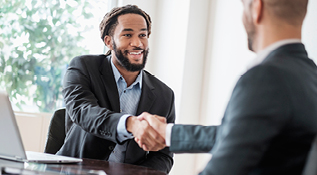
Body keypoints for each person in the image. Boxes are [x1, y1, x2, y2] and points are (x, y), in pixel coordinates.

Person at [137, 0, 317, 174]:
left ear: (256, 7)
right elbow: (244, 134)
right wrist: (167, 133)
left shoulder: (265, 77)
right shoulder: (309, 75)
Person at [56, 5, 175, 173]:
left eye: (143, 35)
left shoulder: (165, 95)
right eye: (127, 35)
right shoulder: (83, 67)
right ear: (109, 41)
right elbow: (83, 111)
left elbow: (164, 156)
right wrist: (130, 124)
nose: (137, 43)